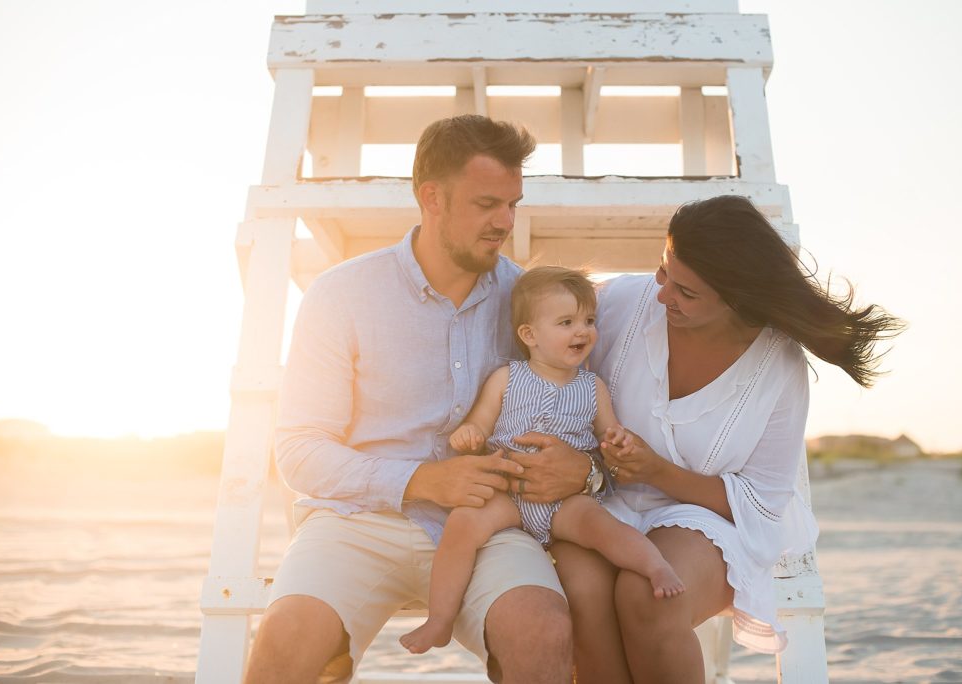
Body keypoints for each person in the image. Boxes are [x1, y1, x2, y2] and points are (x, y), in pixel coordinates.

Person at [244, 115, 589, 684]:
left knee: (543, 630)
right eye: (486, 204)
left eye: (513, 204)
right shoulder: (341, 295)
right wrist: (421, 481)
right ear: (432, 197)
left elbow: (583, 414)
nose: (505, 222)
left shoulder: (530, 301)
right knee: (287, 641)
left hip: (490, 526)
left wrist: (586, 472)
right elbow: (300, 452)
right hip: (357, 521)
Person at [550, 194, 904, 683]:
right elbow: (545, 378)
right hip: (599, 501)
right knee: (583, 593)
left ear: (737, 297)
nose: (662, 295)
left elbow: (760, 503)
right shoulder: (618, 305)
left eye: (686, 293)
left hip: (708, 518)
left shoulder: (778, 368)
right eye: (663, 272)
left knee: (648, 595)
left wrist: (658, 472)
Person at [399, 266, 684, 655]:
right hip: (507, 492)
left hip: (565, 501)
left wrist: (617, 438)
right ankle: (440, 618)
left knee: (602, 526)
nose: (582, 331)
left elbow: (609, 435)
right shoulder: (507, 378)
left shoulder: (592, 386)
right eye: (566, 322)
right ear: (529, 336)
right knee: (463, 524)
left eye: (588, 320)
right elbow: (480, 423)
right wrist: (471, 435)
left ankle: (655, 567)